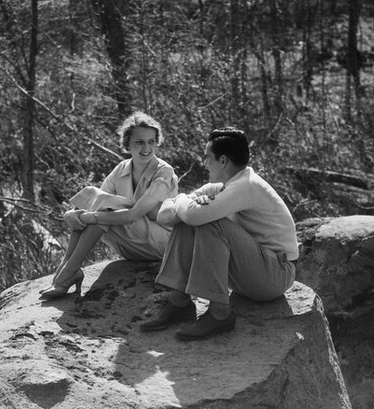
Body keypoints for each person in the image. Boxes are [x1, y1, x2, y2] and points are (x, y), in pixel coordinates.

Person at [139, 127, 298, 339]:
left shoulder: (246, 185)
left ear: (223, 161)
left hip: (275, 274)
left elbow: (193, 215)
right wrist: (185, 204)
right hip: (252, 271)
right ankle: (179, 302)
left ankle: (220, 314)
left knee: (208, 221)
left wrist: (183, 201)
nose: (204, 163)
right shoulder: (221, 187)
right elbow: (163, 216)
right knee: (187, 219)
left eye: (208, 158)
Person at [40, 112, 178, 299]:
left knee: (103, 212)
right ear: (127, 144)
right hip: (132, 246)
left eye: (151, 141)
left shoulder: (164, 171)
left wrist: (90, 217)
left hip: (163, 244)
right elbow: (95, 202)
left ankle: (66, 274)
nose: (147, 148)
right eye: (139, 142)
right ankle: (66, 271)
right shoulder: (122, 168)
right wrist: (71, 215)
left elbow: (133, 215)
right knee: (94, 200)